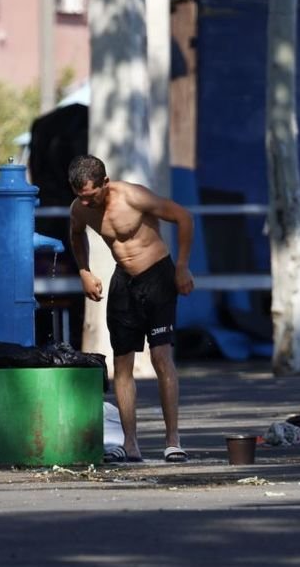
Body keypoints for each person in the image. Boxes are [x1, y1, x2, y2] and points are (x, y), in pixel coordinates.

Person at [68, 155, 194, 463]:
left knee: (161, 357)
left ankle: (173, 441)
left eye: (91, 196)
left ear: (105, 184)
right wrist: (84, 270)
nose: (86, 203)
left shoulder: (134, 197)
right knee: (121, 364)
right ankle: (130, 443)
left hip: (158, 276)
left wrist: (182, 267)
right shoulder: (80, 209)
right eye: (81, 198)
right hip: (124, 279)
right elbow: (76, 233)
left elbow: (183, 217)